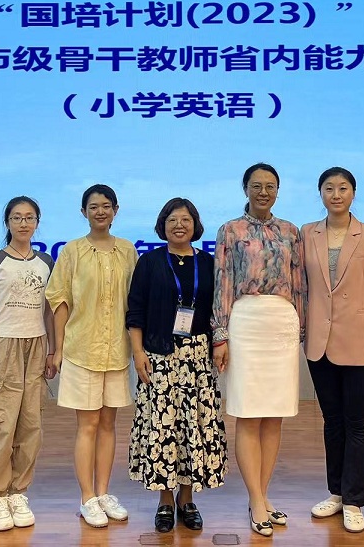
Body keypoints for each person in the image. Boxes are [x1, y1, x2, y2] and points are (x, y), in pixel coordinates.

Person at [302, 167, 364, 534]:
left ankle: (355, 500)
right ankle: (337, 492)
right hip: (320, 342)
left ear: (353, 193)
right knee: (332, 421)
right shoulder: (306, 233)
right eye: (329, 188)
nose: (336, 194)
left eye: (343, 188)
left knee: (357, 421)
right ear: (320, 193)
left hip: (362, 339)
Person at [212, 163, 305, 538]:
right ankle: (255, 498)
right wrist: (220, 334)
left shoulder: (291, 232)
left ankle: (262, 497)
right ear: (245, 189)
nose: (263, 192)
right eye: (256, 185)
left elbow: (299, 283)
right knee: (248, 415)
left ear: (278, 190)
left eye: (270, 186)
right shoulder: (230, 230)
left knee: (274, 416)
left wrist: (302, 327)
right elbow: (222, 281)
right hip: (245, 322)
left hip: (281, 323)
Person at [127, 198, 228, 533]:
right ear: (163, 225)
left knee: (193, 428)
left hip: (198, 357)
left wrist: (220, 344)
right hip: (159, 354)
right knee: (163, 428)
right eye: (172, 220)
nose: (179, 225)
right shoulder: (150, 261)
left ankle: (187, 499)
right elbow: (135, 310)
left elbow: (217, 310)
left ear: (195, 225)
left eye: (185, 219)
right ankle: (165, 502)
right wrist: (138, 352)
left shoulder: (208, 262)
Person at [45, 184, 138, 529]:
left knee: (109, 425)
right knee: (87, 426)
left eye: (106, 206)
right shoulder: (72, 251)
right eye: (94, 206)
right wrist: (57, 349)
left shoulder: (128, 250)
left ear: (116, 210)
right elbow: (59, 299)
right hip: (81, 349)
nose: (100, 211)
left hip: (117, 350)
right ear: (83, 212)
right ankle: (87, 497)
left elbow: (135, 301)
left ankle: (103, 492)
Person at [0, 196, 57, 532]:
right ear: (7, 222)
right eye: (17, 217)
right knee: (1, 424)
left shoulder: (46, 262)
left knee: (31, 425)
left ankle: (18, 492)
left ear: (37, 222)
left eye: (29, 217)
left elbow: (49, 311)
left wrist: (53, 350)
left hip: (36, 346)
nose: (24, 223)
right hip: (2, 345)